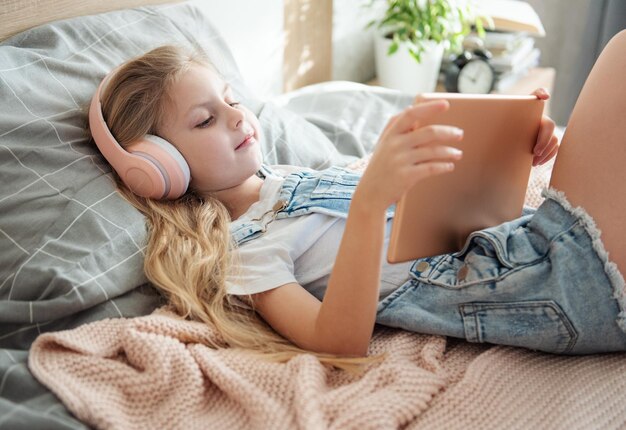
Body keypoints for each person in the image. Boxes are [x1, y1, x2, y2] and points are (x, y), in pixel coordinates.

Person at [89, 31, 626, 366]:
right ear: (158, 167)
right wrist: (370, 202)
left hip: (526, 241)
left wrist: (507, 153)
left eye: (231, 99)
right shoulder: (243, 252)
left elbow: (440, 217)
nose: (235, 116)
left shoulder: (298, 179)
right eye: (205, 119)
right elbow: (335, 341)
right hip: (551, 284)